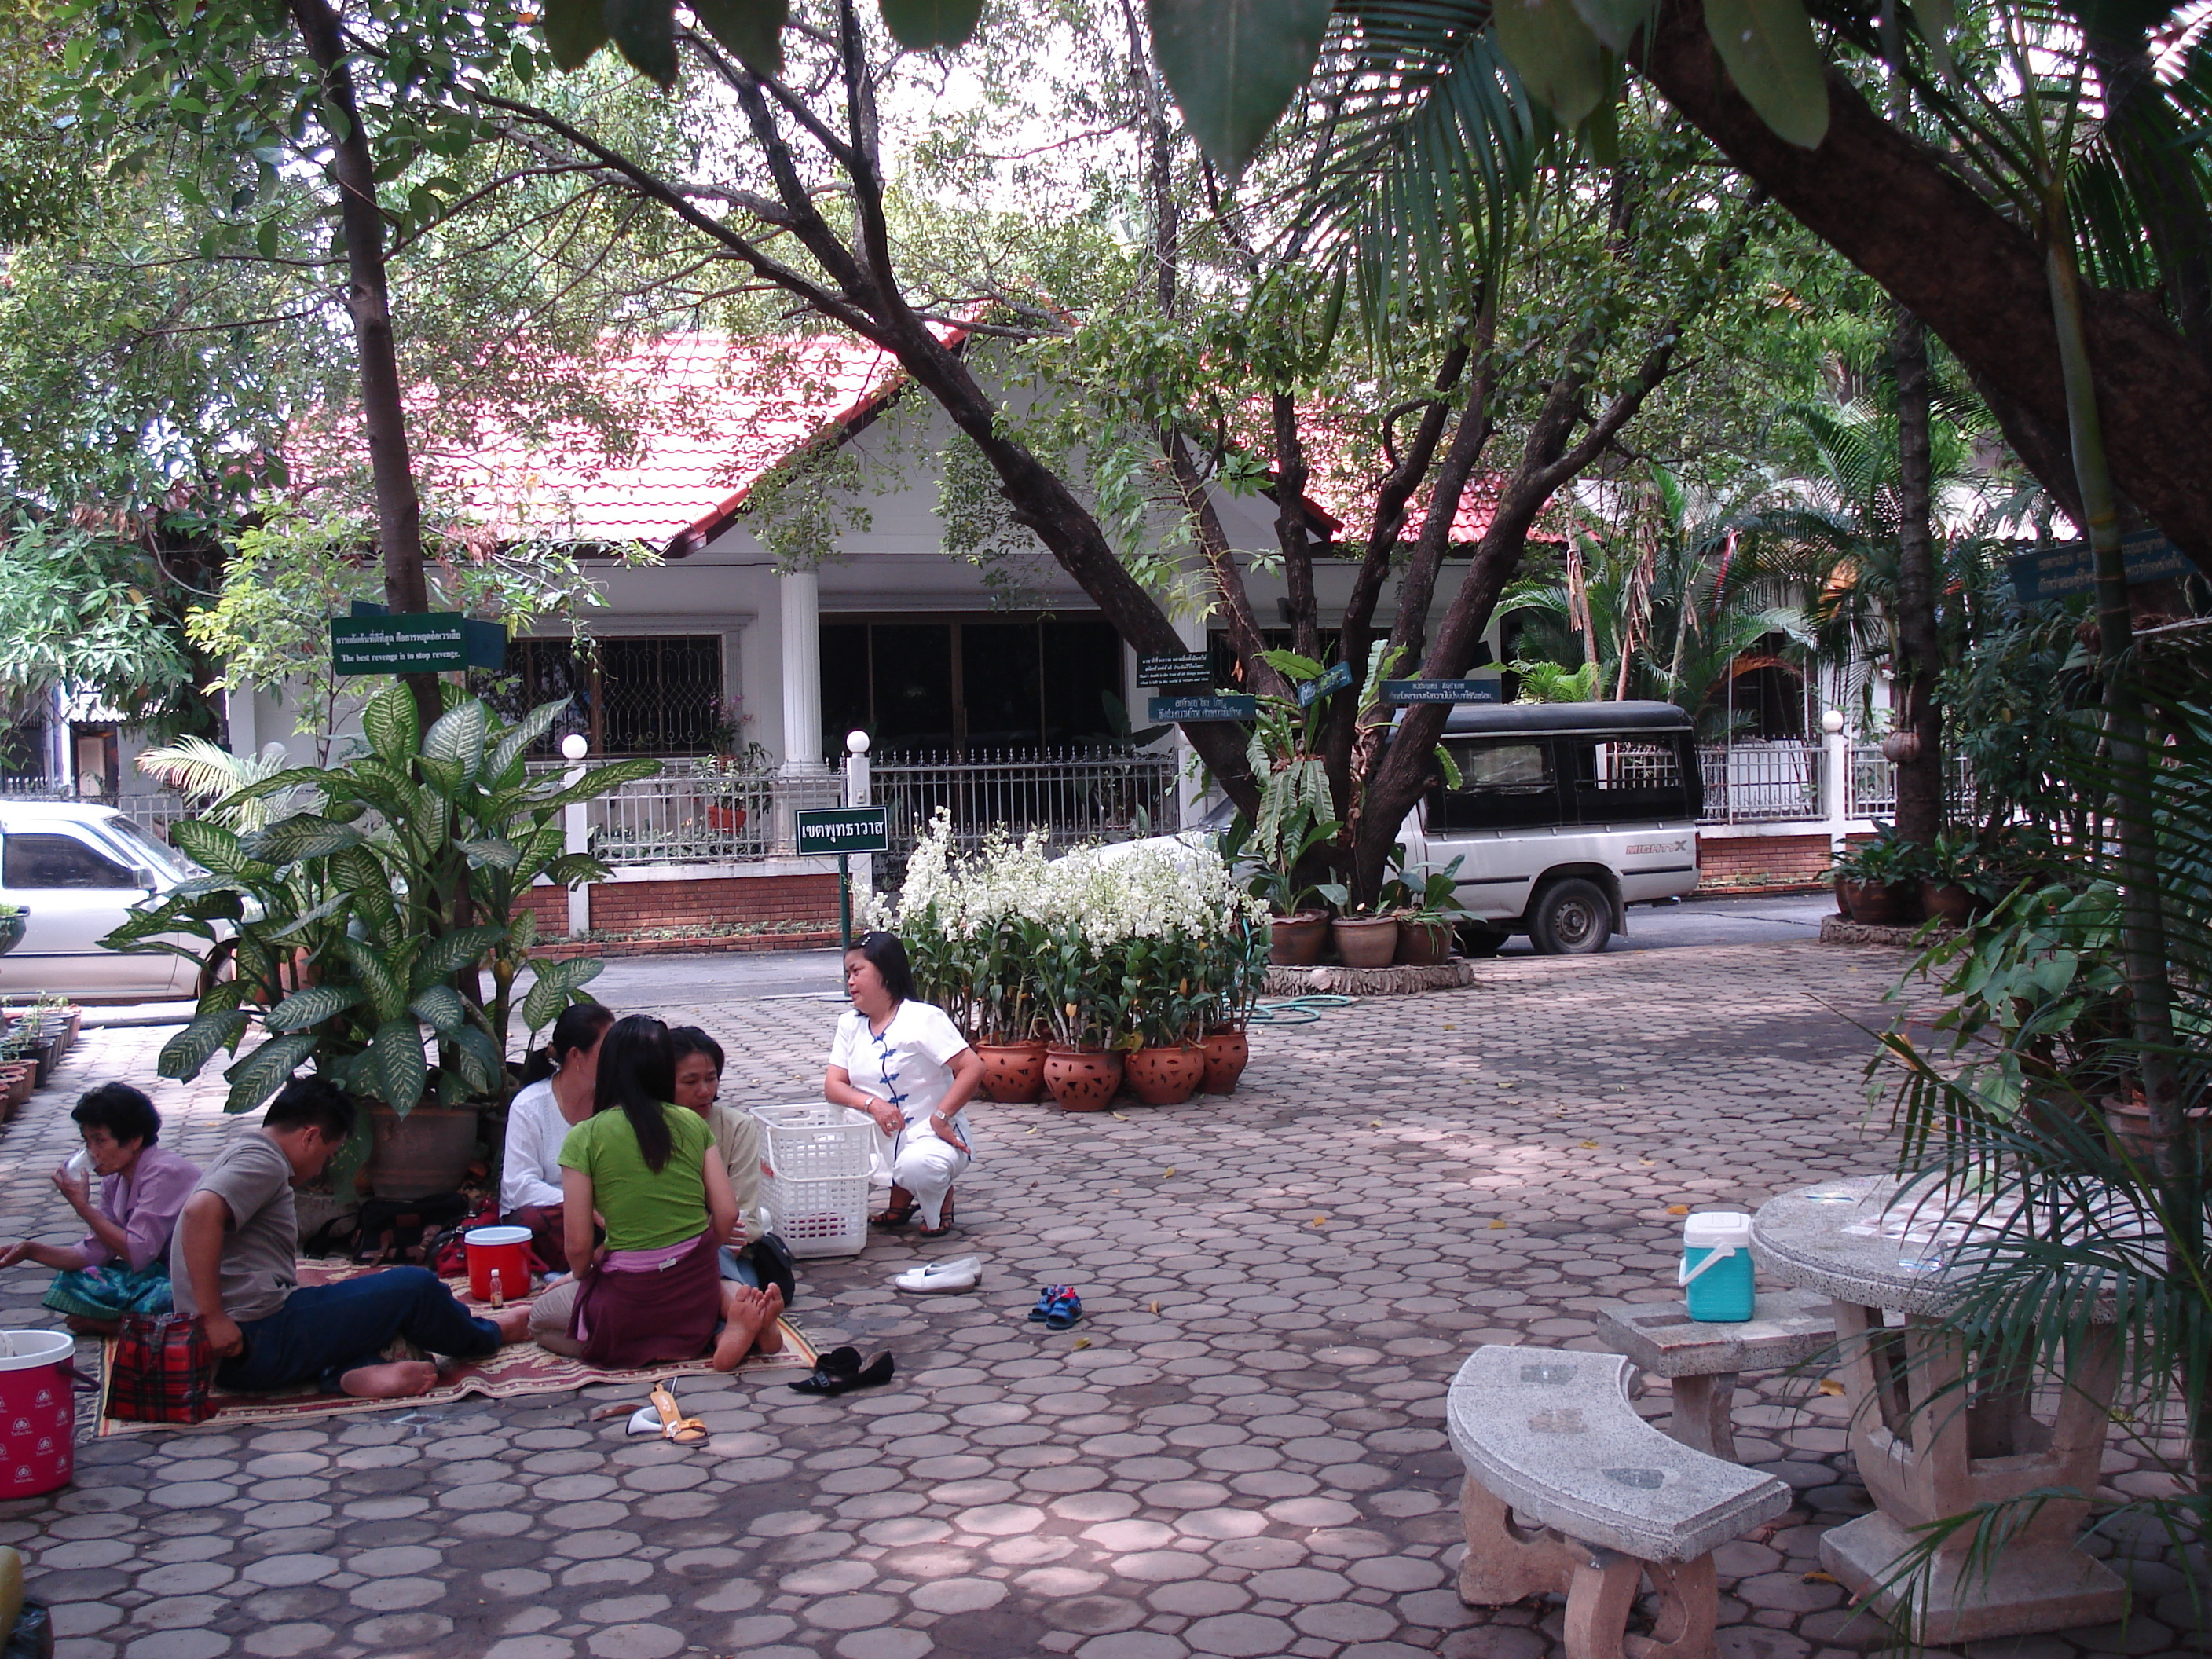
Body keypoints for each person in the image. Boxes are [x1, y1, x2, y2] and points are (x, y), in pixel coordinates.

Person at [172, 1076, 530, 1398]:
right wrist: (211, 1318)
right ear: (310, 1136)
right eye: (328, 1156)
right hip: (254, 1338)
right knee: (414, 1287)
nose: (322, 1170)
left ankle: (347, 1374)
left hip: (243, 1359)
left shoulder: (241, 1152)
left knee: (358, 1308)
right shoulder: (263, 1161)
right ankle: (488, 1334)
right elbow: (199, 1213)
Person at [528, 1016, 784, 1371]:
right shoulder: (693, 1123)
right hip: (694, 1300)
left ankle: (632, 1349)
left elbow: (577, 1247)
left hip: (626, 1301)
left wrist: (583, 1275)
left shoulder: (583, 1137)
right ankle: (718, 1334)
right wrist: (697, 1258)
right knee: (716, 1288)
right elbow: (727, 1214)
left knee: (539, 1321)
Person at [0, 1084, 200, 1335]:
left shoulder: (165, 1173)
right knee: (76, 1277)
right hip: (160, 1272)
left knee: (167, 1296)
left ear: (134, 1140)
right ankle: (134, 1323)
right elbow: (94, 1253)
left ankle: (122, 1327)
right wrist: (31, 1250)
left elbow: (138, 1254)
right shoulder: (115, 1179)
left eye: (100, 1141)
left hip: (198, 1279)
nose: (92, 1152)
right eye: (87, 1141)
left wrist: (83, 1208)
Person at [825, 931, 984, 1238]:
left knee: (920, 1167)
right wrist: (874, 1104)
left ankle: (937, 1193)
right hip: (875, 1135)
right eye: (848, 974)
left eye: (858, 972)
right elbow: (833, 1085)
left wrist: (941, 1117)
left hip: (931, 1134)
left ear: (885, 971)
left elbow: (973, 1067)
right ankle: (901, 1194)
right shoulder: (850, 1025)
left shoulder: (923, 1018)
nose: (850, 982)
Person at [500, 1002, 615, 1273]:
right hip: (553, 1214)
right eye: (607, 1050)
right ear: (576, 1056)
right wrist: (583, 1207)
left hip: (605, 1215)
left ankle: (608, 1259)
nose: (616, 1057)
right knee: (536, 1221)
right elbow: (520, 1186)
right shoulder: (530, 1106)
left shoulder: (613, 1102)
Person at [668, 1027, 770, 1280]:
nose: (704, 1091)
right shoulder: (651, 1130)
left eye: (711, 1078)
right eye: (690, 1082)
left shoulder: (736, 1127)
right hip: (666, 1255)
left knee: (739, 1299)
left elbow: (743, 1212)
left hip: (729, 1253)